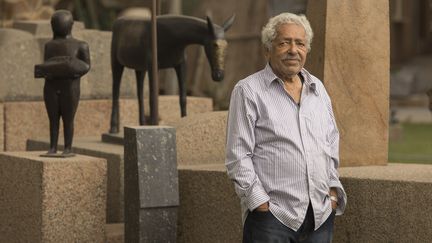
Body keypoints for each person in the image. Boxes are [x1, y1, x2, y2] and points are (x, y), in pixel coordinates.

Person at [225, 12, 346, 242]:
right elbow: (237, 155)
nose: (293, 50)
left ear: (307, 49)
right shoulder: (248, 90)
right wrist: (259, 202)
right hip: (273, 219)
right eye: (284, 42)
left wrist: (332, 191)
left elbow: (331, 141)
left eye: (300, 43)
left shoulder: (317, 89)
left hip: (319, 216)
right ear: (268, 49)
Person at [35, 10, 90, 156]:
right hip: (51, 86)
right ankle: (52, 147)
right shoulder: (50, 45)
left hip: (70, 87)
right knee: (53, 118)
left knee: (68, 118)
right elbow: (48, 64)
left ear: (71, 25)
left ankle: (67, 147)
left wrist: (71, 67)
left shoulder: (81, 45)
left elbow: (86, 66)